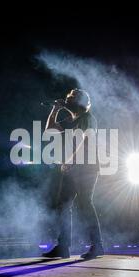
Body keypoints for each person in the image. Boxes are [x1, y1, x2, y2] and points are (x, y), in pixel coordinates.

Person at [42, 89, 104, 260]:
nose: (68, 99)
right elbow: (49, 130)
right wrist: (54, 110)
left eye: (72, 98)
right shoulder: (71, 120)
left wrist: (70, 160)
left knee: (85, 203)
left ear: (81, 102)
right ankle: (63, 247)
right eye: (68, 97)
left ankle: (97, 245)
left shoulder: (87, 118)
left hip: (87, 167)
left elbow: (84, 139)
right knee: (63, 205)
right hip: (73, 168)